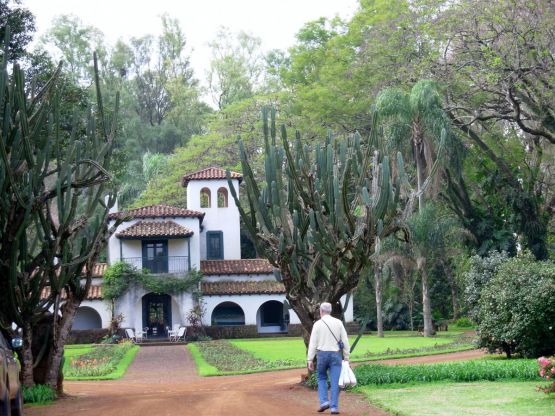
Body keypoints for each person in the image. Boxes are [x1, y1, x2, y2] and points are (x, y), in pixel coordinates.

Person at [307, 302, 350, 415]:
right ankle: (334, 407)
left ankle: (324, 402)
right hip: (336, 354)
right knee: (335, 381)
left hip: (322, 355)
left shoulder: (317, 324)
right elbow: (345, 341)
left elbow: (313, 343)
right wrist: (346, 357)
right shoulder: (338, 323)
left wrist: (310, 359)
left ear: (321, 311)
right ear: (330, 311)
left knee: (321, 377)